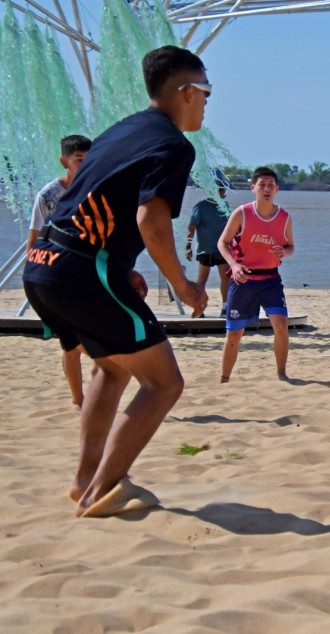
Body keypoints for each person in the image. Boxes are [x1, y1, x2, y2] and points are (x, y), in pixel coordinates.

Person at [22, 45, 210, 517]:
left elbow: (86, 199)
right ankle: (102, 492)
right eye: (207, 92)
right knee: (163, 384)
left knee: (112, 369)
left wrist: (121, 268)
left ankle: (84, 480)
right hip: (82, 271)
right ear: (186, 92)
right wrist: (183, 284)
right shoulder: (173, 145)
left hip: (44, 264)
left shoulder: (119, 131)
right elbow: (151, 221)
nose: (208, 103)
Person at [27, 134, 93, 408]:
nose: (85, 165)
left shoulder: (96, 189)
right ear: (64, 162)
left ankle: (97, 395)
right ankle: (79, 400)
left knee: (98, 341)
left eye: (90, 159)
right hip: (58, 279)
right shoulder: (48, 196)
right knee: (71, 345)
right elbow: (34, 240)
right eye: (79, 160)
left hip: (90, 276)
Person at [217, 166, 295, 383]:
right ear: (253, 188)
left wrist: (284, 252)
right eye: (262, 185)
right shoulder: (242, 213)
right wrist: (234, 265)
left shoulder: (284, 217)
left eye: (271, 185)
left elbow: (291, 247)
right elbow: (222, 242)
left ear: (277, 189)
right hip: (243, 279)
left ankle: (282, 374)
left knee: (281, 326)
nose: (266, 189)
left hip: (271, 280)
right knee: (234, 334)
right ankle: (224, 379)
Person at [186, 179, 230, 316]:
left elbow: (230, 226)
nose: (222, 192)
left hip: (222, 250)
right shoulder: (201, 206)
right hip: (205, 250)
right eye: (219, 189)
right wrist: (188, 246)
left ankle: (225, 307)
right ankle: (199, 307)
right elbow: (192, 226)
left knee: (226, 279)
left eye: (223, 189)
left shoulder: (225, 206)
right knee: (202, 280)